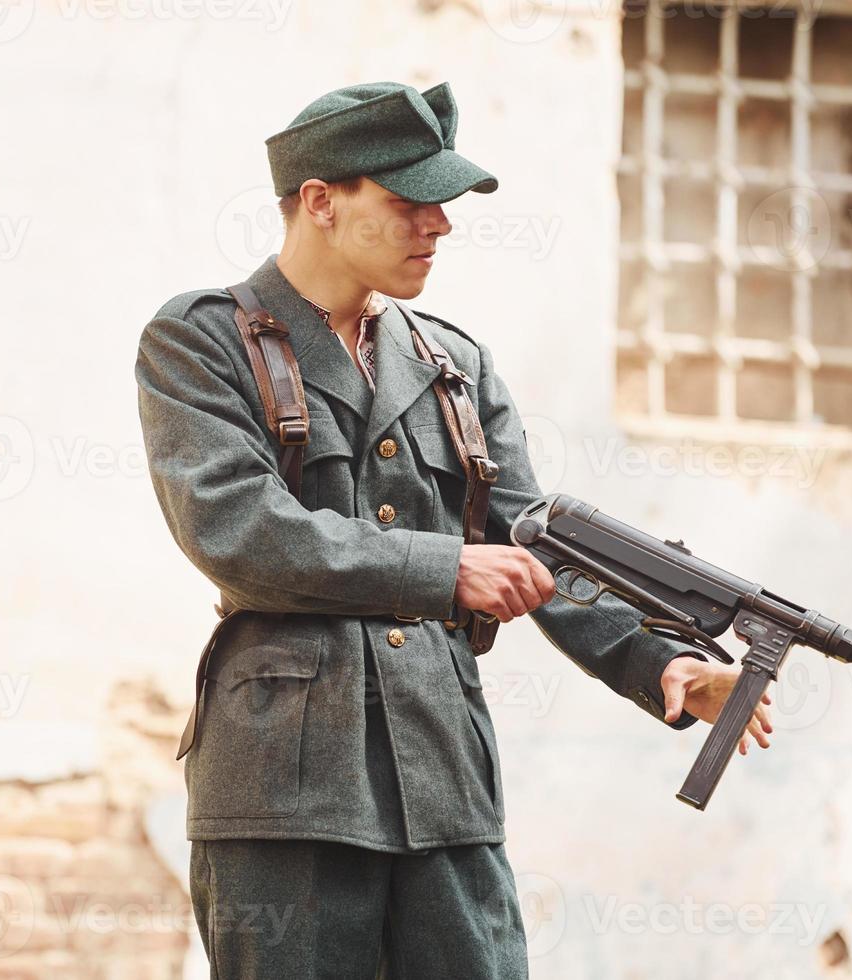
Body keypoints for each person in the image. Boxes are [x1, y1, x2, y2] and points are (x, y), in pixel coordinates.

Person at [135, 80, 773, 979]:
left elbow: (536, 544)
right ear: (320, 201)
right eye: (407, 203)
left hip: (443, 776)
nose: (437, 226)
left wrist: (655, 659)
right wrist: (444, 568)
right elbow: (237, 528)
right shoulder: (202, 342)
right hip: (285, 788)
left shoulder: (453, 364)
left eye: (442, 205)